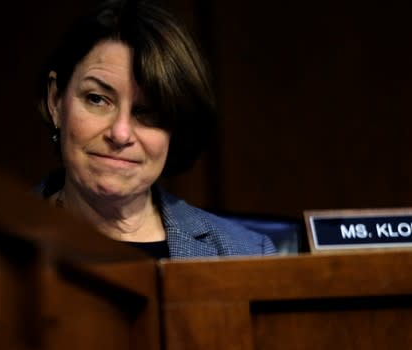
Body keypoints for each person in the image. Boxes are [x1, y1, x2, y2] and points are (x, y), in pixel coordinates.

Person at [37, 0, 276, 259]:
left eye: (146, 111)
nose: (120, 134)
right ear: (56, 101)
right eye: (97, 99)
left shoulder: (246, 254)